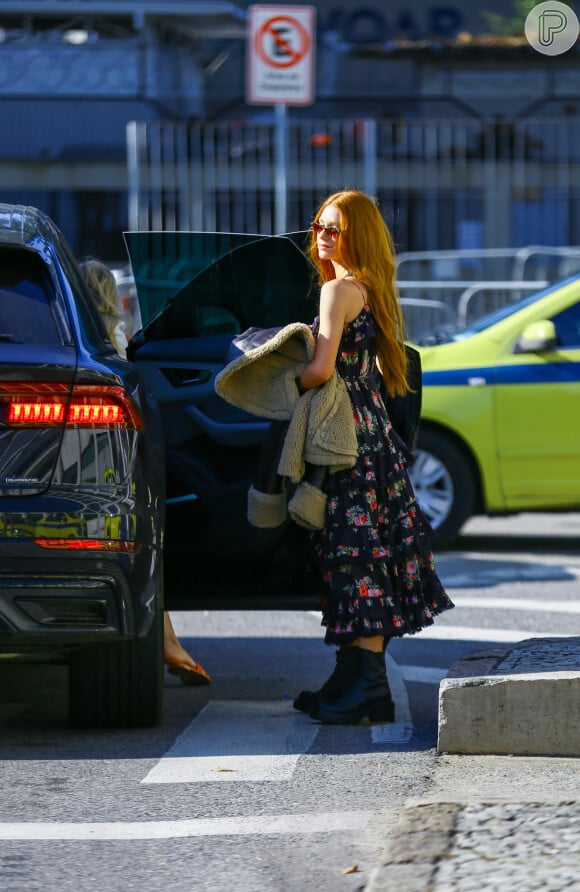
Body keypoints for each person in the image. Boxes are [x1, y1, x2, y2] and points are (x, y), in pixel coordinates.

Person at [293, 190, 454, 724]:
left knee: (353, 556)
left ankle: (365, 688)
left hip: (344, 439)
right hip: (374, 435)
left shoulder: (337, 290)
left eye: (333, 229)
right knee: (364, 552)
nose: (321, 234)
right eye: (318, 224)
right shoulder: (373, 289)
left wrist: (277, 376)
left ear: (355, 236)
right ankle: (353, 682)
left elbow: (319, 370)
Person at [79, 258, 211, 687]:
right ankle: (166, 640)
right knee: (145, 547)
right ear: (108, 294)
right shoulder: (113, 336)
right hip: (114, 456)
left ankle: (167, 640)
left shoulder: (75, 337)